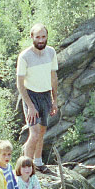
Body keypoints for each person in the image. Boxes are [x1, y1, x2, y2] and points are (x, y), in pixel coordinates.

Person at [17, 23, 58, 175]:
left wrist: (55, 100)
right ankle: (25, 168)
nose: (41, 40)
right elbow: (20, 85)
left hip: (46, 95)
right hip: (31, 96)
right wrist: (30, 106)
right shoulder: (25, 56)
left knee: (41, 131)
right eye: (38, 37)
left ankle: (38, 162)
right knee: (33, 133)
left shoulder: (51, 53)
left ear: (47, 37)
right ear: (32, 37)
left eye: (43, 37)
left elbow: (54, 78)